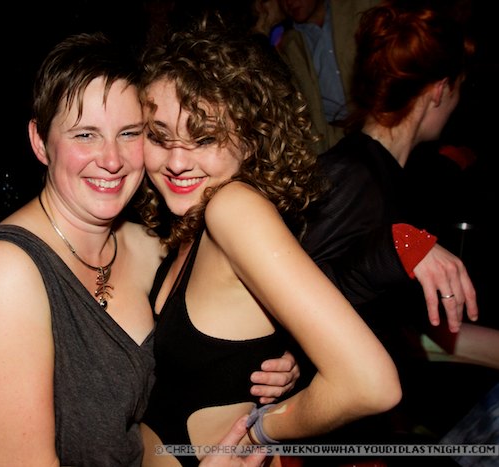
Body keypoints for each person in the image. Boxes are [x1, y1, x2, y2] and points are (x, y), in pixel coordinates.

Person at [0, 31, 276, 466]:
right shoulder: (2, 273)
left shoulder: (152, 247)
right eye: (85, 135)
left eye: (130, 133)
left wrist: (264, 367)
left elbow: (195, 365)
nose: (112, 160)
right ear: (39, 141)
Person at [135, 14, 401, 466]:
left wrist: (262, 431)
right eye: (159, 137)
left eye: (204, 138)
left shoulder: (233, 208)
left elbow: (371, 384)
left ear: (251, 138)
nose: (177, 162)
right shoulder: (190, 220)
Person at [272, 0, 499, 452]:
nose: (457, 101)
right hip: (316, 428)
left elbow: (373, 309)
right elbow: (293, 290)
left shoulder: (389, 176)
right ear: (440, 90)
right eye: (458, 88)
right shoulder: (354, 174)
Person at [276, 0, 379, 154]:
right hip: (338, 141)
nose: (289, 2)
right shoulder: (289, 46)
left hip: (380, 122)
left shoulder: (357, 10)